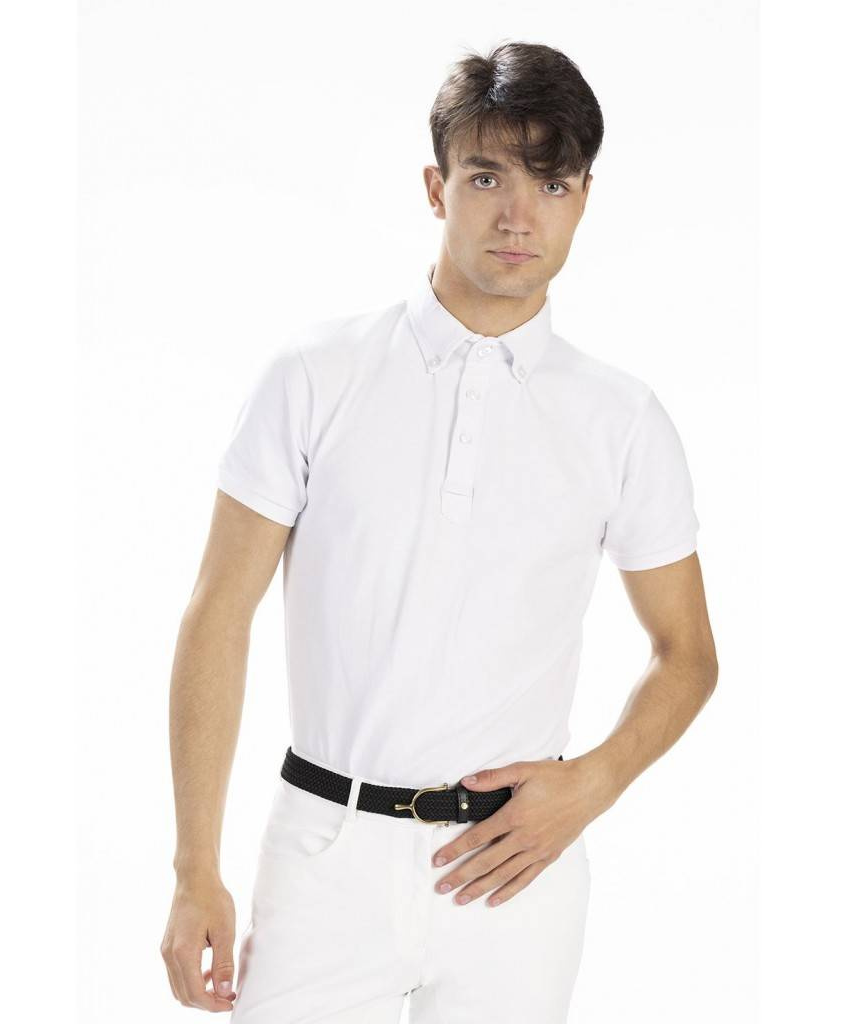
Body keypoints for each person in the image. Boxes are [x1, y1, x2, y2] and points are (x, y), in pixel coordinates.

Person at [161, 40, 718, 1023]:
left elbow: (688, 653)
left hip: (518, 870)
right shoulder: (315, 375)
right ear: (437, 187)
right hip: (327, 853)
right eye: (487, 177)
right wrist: (194, 868)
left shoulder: (621, 420)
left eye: (552, 184)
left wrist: (591, 783)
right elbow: (218, 614)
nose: (518, 216)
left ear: (583, 199)